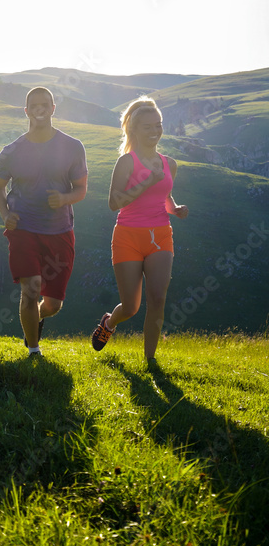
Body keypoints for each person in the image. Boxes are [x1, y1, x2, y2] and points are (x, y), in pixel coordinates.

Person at [0, 87, 88, 357]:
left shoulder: (72, 146)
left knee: (53, 304)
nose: (40, 109)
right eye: (34, 105)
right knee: (31, 289)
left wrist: (65, 197)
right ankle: (33, 351)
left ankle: (37, 320)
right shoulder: (11, 151)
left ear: (53, 108)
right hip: (23, 228)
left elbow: (81, 189)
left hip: (60, 231)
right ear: (26, 111)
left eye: (45, 104)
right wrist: (6, 215)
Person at [91, 97, 188, 362]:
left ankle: (150, 360)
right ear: (134, 129)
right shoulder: (127, 162)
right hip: (128, 236)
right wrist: (147, 182)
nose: (155, 131)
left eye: (158, 125)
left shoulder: (170, 164)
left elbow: (164, 197)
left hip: (160, 235)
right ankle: (109, 323)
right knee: (131, 307)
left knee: (157, 298)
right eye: (147, 126)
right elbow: (114, 203)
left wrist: (176, 208)